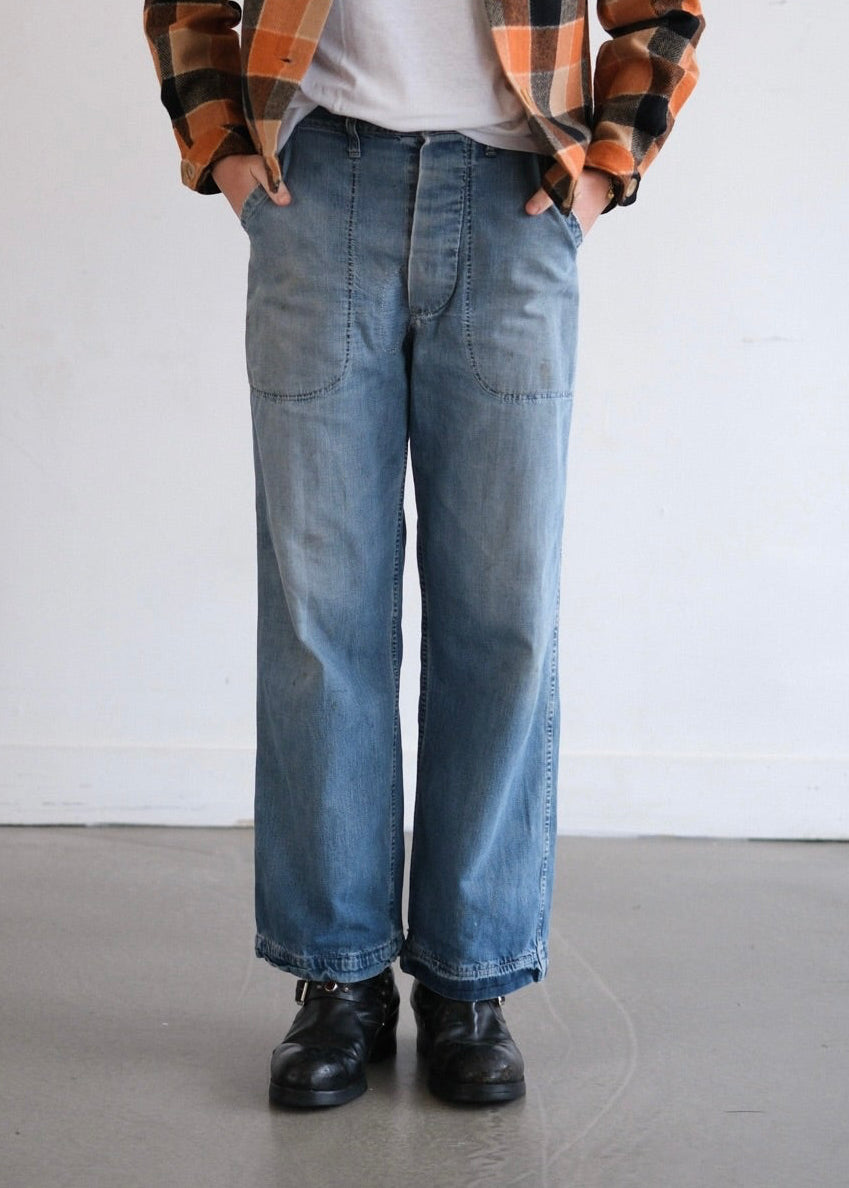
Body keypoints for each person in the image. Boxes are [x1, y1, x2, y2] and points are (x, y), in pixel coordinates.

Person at [143, 0, 704, 1108]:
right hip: (316, 183)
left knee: (503, 615)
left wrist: (602, 171)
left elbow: (662, 15)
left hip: (514, 191)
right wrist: (226, 154)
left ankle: (468, 979)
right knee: (321, 614)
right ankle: (338, 977)